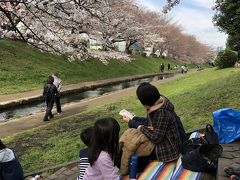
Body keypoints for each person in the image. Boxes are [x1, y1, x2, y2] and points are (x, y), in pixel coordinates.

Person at [122, 82, 186, 163]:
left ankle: (131, 171)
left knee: (134, 148)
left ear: (145, 102)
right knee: (134, 141)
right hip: (168, 144)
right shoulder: (158, 103)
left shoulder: (162, 112)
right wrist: (133, 119)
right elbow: (150, 123)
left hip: (169, 152)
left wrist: (136, 125)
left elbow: (156, 138)